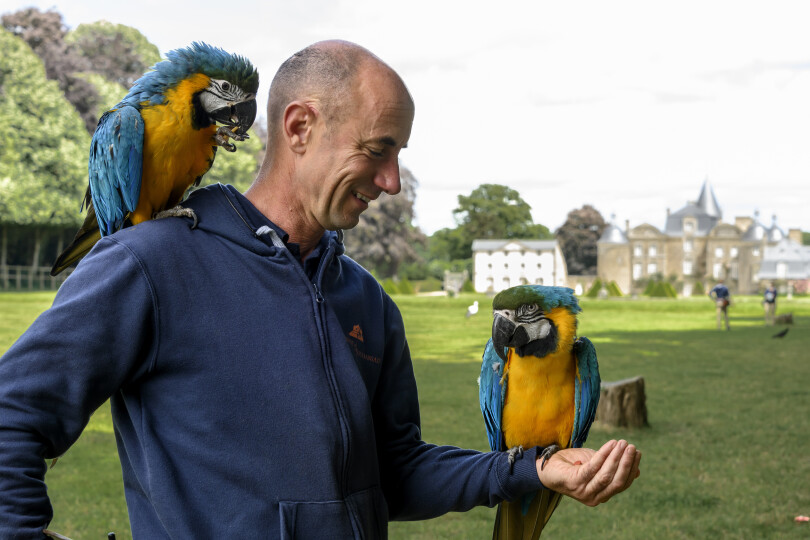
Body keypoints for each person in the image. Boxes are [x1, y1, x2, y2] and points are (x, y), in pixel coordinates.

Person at [0, 41, 640, 538]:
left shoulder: (368, 303)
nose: (391, 180)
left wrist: (530, 469)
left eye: (400, 156)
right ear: (299, 127)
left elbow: (397, 473)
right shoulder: (150, 263)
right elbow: (12, 415)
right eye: (377, 150)